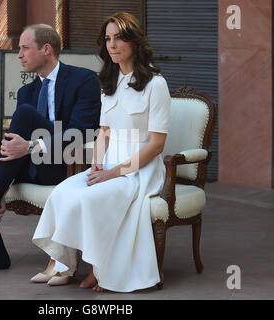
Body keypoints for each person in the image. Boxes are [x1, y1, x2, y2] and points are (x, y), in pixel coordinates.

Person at [0, 24, 101, 273]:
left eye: (25, 48)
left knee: (25, 115)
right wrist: (3, 184)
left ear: (46, 49)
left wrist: (33, 146)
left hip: (65, 164)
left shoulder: (84, 79)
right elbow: (16, 145)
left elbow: (80, 132)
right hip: (27, 164)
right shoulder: (27, 91)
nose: (19, 55)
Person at [30, 12, 171, 292]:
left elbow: (156, 144)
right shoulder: (108, 83)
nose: (112, 45)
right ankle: (63, 263)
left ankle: (100, 268)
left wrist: (113, 173)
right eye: (108, 39)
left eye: (119, 38)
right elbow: (104, 132)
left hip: (139, 170)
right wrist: (96, 165)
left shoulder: (156, 84)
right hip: (106, 165)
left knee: (91, 198)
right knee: (63, 192)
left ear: (134, 41)